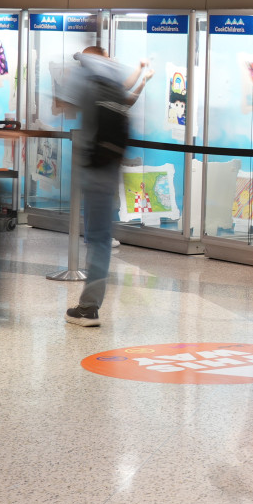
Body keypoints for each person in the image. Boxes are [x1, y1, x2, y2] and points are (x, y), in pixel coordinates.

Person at [59, 45, 152, 327]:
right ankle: (90, 304)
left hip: (92, 167)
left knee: (97, 239)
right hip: (111, 166)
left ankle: (88, 307)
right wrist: (142, 76)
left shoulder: (86, 79)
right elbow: (127, 101)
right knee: (101, 237)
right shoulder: (114, 81)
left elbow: (63, 108)